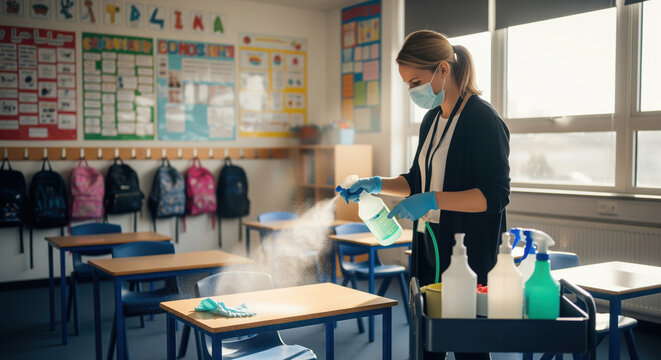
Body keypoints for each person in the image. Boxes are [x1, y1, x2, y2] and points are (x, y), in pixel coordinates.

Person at [341, 30, 510, 360]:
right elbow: (416, 180)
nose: (412, 90)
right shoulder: (431, 119)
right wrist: (374, 184)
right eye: (407, 83)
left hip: (467, 252)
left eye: (415, 81)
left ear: (443, 70)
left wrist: (434, 199)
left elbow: (495, 196)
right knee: (427, 344)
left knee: (468, 348)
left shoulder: (482, 119)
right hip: (429, 243)